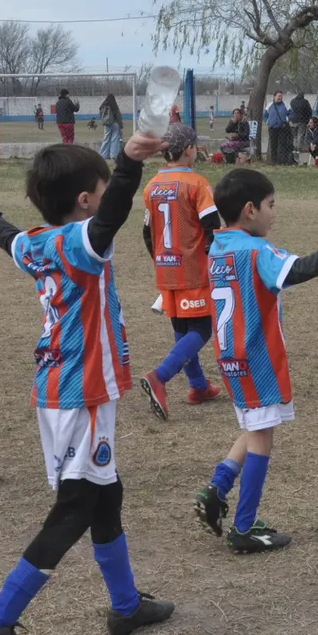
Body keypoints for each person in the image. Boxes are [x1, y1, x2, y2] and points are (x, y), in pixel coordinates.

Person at [0, 134, 175, 635]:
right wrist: (129, 162)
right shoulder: (81, 243)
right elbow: (112, 214)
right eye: (101, 189)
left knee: (106, 494)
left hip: (56, 389)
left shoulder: (36, 243)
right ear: (84, 201)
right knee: (75, 510)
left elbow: (3, 233)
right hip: (85, 394)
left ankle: (125, 607)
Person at [192, 169, 318, 553]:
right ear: (249, 210)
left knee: (255, 424)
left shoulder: (218, 246)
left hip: (230, 354)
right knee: (263, 434)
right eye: (270, 206)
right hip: (256, 356)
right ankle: (244, 526)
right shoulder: (255, 251)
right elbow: (301, 269)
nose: (273, 214)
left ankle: (216, 489)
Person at [139, 123, 223, 420]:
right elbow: (212, 228)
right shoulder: (197, 184)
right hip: (193, 269)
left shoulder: (151, 186)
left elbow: (147, 232)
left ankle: (198, 386)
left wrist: (161, 261)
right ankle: (159, 377)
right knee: (200, 329)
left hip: (166, 268)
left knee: (182, 331)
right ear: (189, 149)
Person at [264, 91, 292, 166]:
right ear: (274, 96)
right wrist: (268, 122)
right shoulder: (270, 105)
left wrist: (287, 119)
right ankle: (274, 161)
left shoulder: (286, 104)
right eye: (278, 96)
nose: (280, 97)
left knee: (282, 144)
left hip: (282, 128)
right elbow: (265, 115)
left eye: (281, 96)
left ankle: (282, 161)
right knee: (273, 145)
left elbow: (290, 113)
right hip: (272, 128)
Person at [99, 94, 124, 160]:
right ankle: (114, 155)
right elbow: (118, 116)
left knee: (106, 138)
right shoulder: (114, 105)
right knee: (115, 139)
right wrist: (121, 126)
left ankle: (103, 155)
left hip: (107, 124)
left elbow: (101, 114)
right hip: (115, 123)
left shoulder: (103, 105)